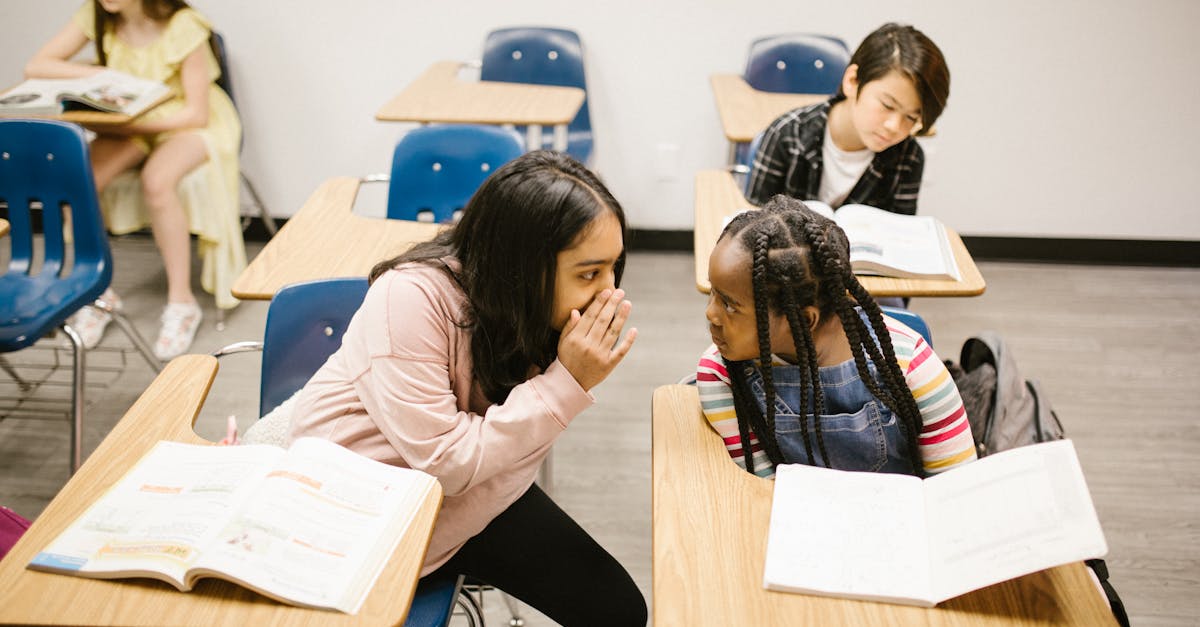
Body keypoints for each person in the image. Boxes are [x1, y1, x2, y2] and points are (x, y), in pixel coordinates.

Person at [289, 151, 647, 626]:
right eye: (588, 273)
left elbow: (500, 454)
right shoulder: (409, 297)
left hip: (475, 491)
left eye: (612, 268)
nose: (609, 293)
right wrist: (568, 382)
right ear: (520, 264)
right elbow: (447, 462)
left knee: (619, 611)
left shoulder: (535, 309)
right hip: (362, 503)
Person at [25, 0, 245, 360]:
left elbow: (197, 112)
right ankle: (96, 292)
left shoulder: (185, 24)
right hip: (132, 122)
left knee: (157, 181)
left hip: (190, 124)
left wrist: (131, 122)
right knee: (77, 182)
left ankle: (181, 302)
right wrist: (100, 78)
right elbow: (37, 65)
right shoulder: (96, 17)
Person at [697, 196, 975, 478]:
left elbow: (954, 489)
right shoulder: (720, 375)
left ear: (804, 320)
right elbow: (762, 487)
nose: (711, 314)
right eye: (713, 292)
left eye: (730, 304)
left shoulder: (913, 368)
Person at [744, 23, 950, 216]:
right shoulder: (786, 135)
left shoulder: (909, 158)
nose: (894, 127)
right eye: (887, 105)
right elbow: (749, 231)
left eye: (911, 117)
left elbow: (898, 237)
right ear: (852, 81)